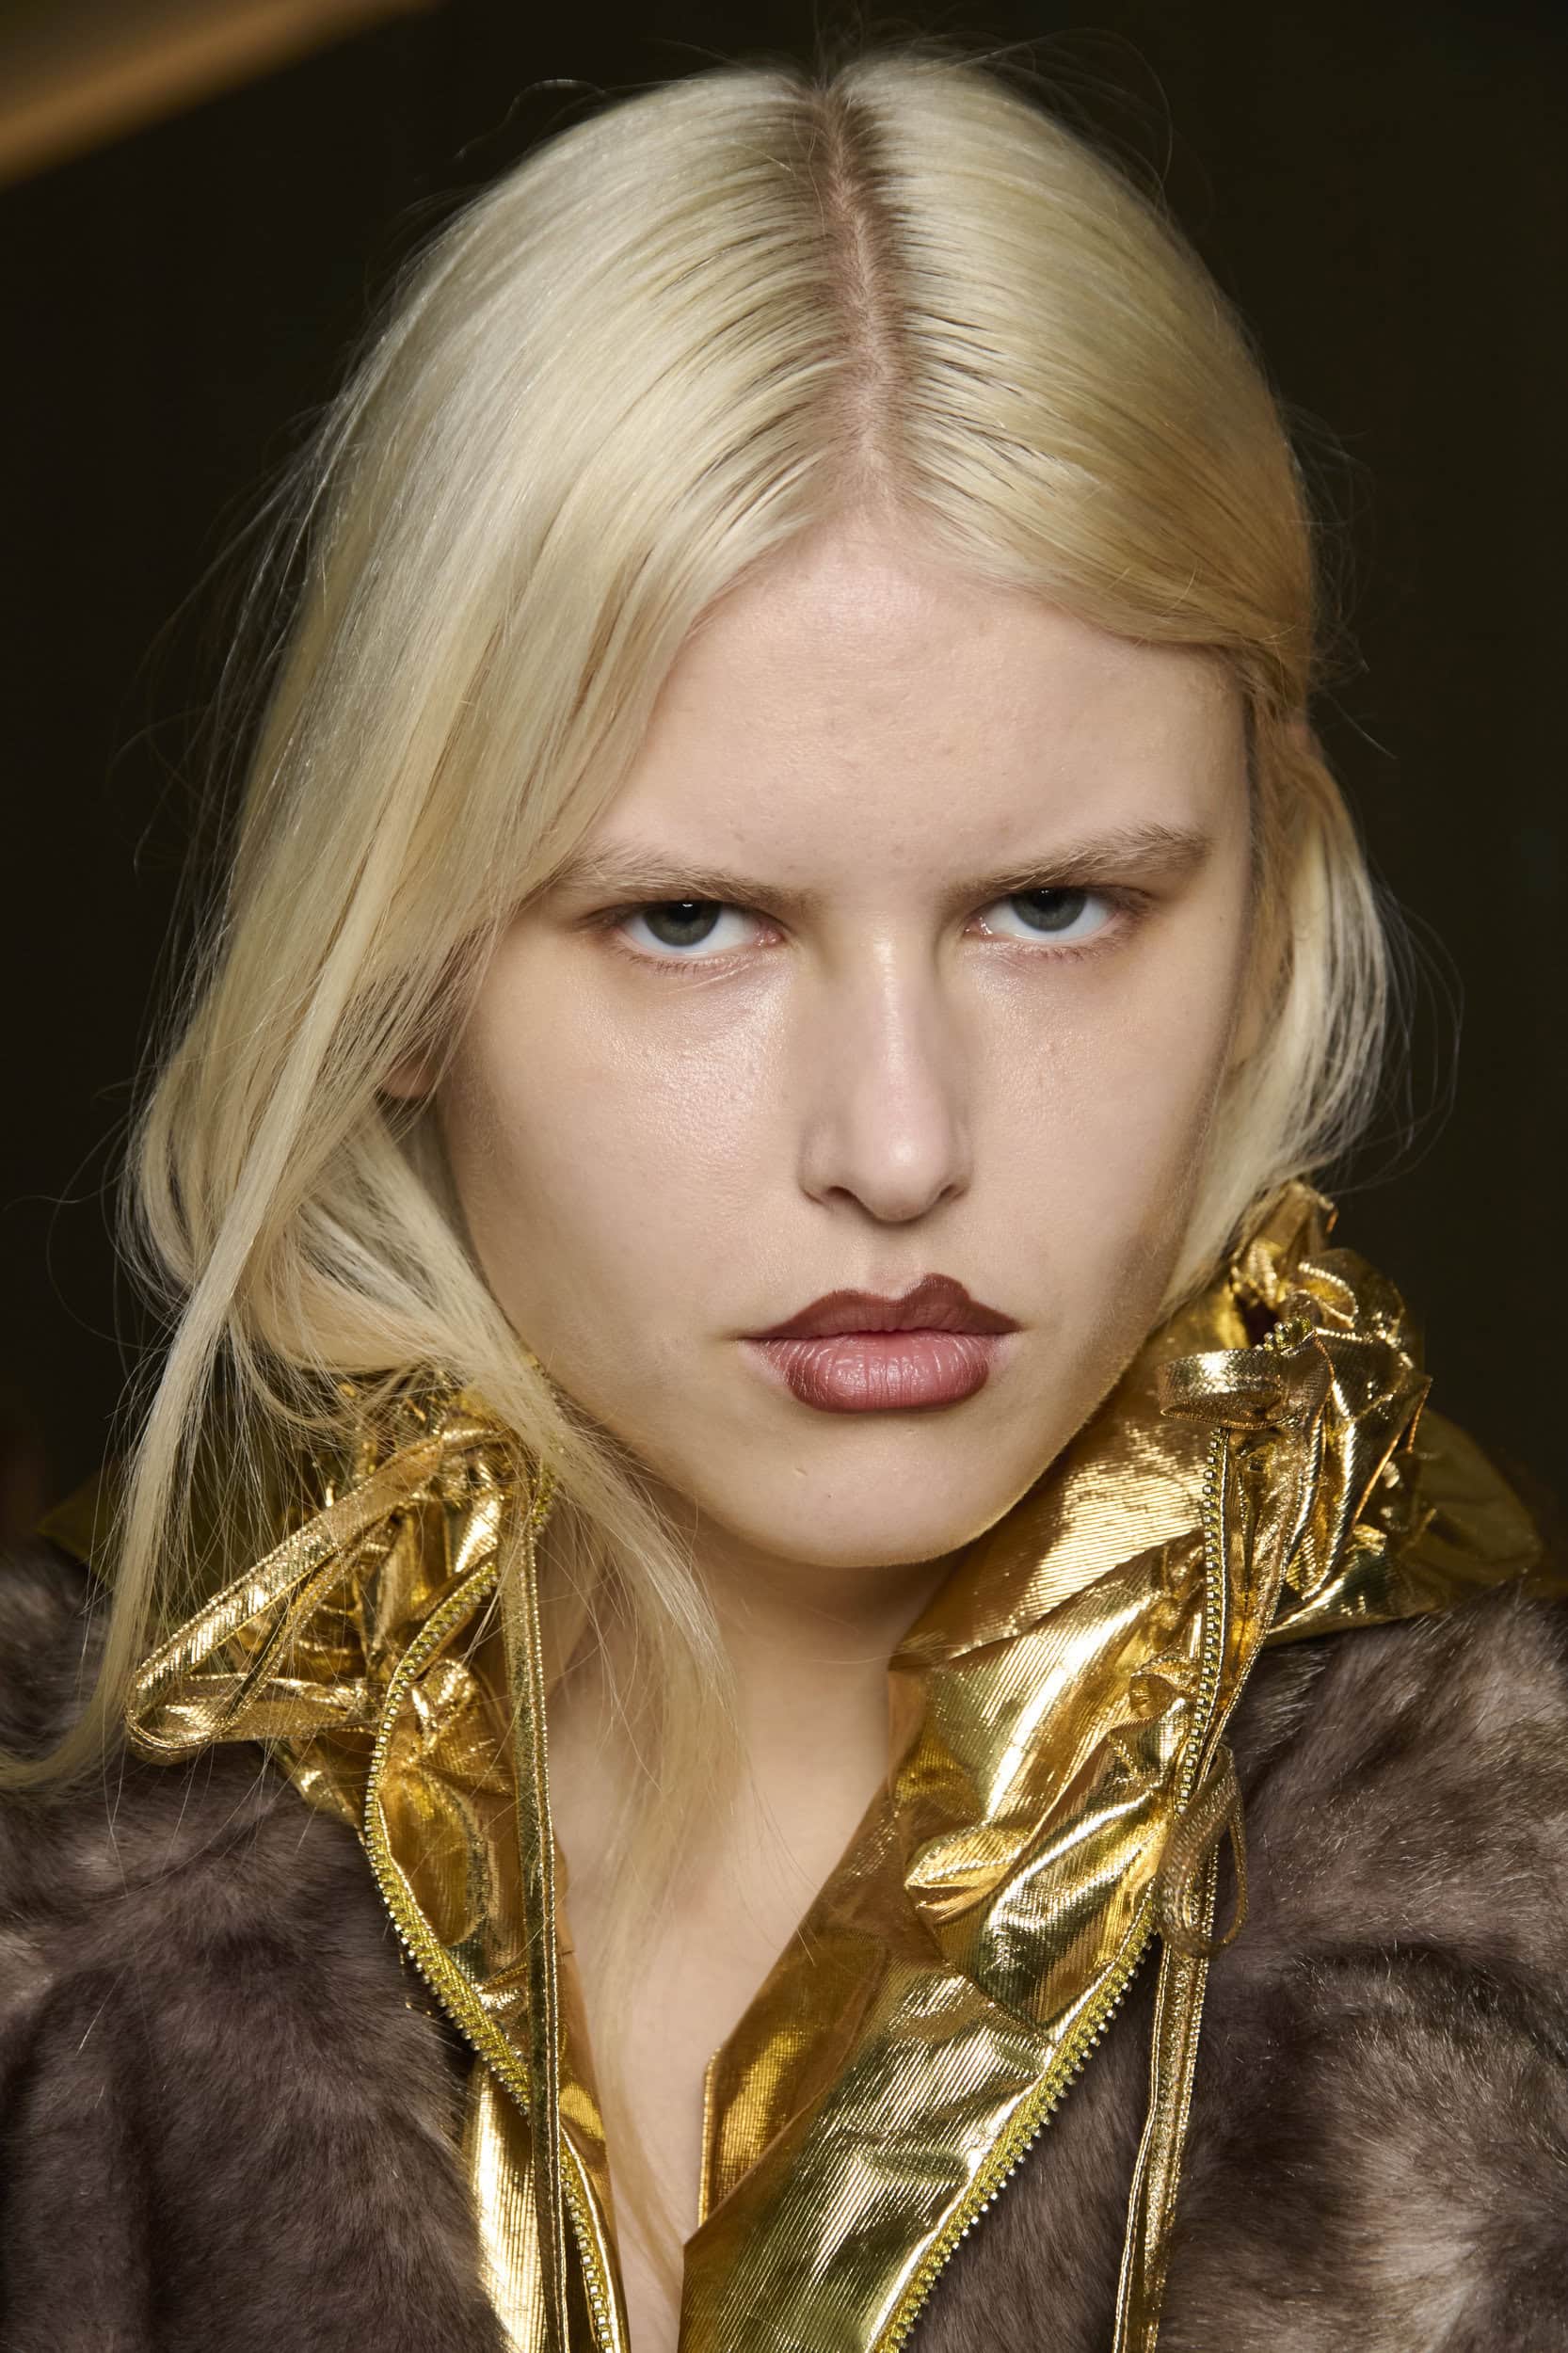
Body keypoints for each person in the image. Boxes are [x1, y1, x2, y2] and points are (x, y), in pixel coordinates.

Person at [2, 38, 1565, 2353]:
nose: (897, 1142)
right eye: (689, 920)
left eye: (1053, 904)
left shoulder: (1511, 1929)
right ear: (396, 959)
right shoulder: (63, 1931)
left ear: (1262, 912)